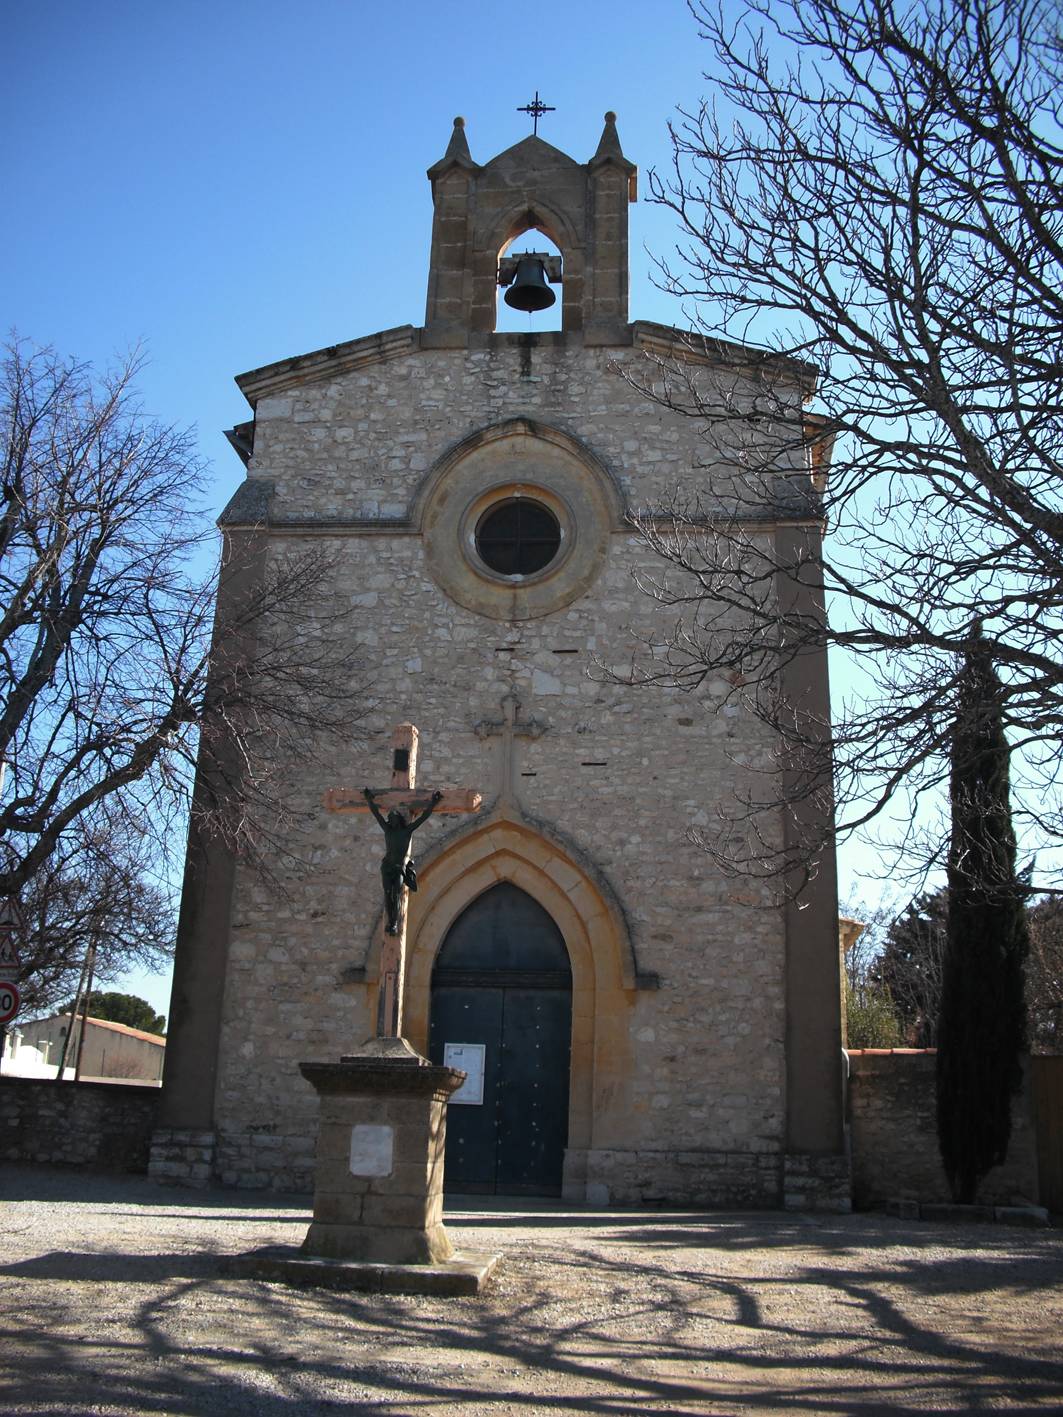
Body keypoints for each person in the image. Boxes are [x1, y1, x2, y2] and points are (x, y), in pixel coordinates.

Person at [363, 787, 444, 934]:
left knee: (397, 894)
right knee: (388, 894)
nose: (392, 821)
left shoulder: (406, 831)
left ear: (399, 820)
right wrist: (369, 800)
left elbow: (423, 817)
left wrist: (433, 803)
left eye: (394, 818)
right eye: (391, 819)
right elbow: (376, 815)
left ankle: (394, 923)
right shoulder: (388, 830)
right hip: (387, 867)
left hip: (399, 867)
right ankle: (391, 922)